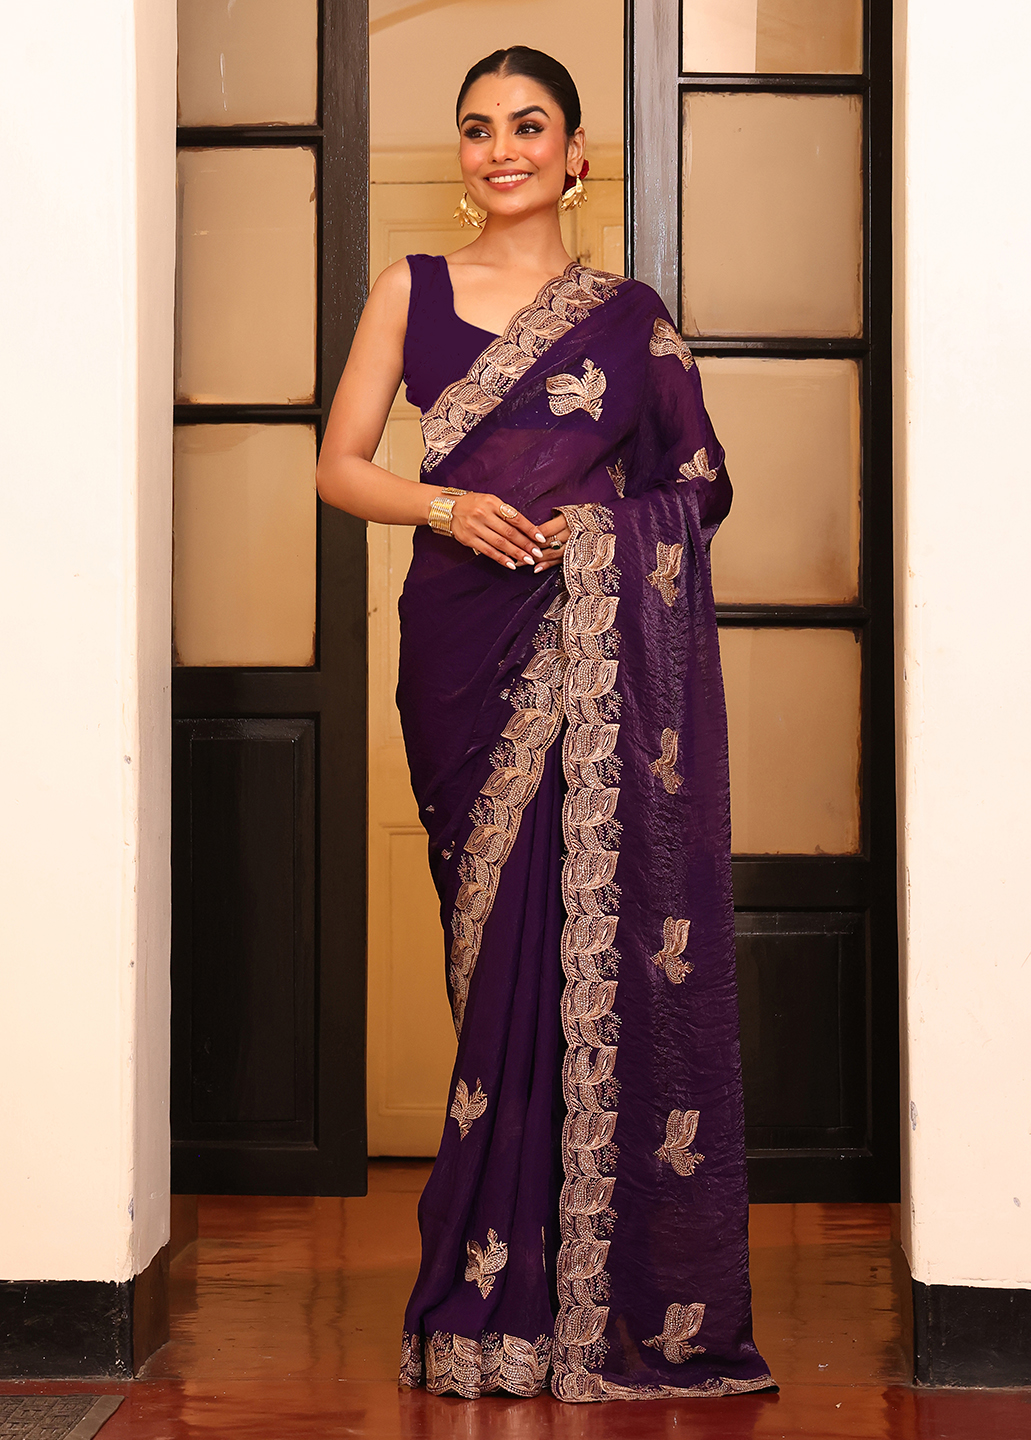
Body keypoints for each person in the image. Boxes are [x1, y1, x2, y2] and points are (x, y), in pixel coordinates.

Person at [316, 45, 773, 1405]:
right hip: (461, 653)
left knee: (586, 946)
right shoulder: (411, 289)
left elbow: (703, 482)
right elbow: (340, 465)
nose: (501, 148)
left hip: (592, 662)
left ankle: (587, 1293)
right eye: (478, 128)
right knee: (494, 953)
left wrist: (600, 535)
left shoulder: (630, 320)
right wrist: (448, 505)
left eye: (529, 125)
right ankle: (491, 1289)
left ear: (578, 154)